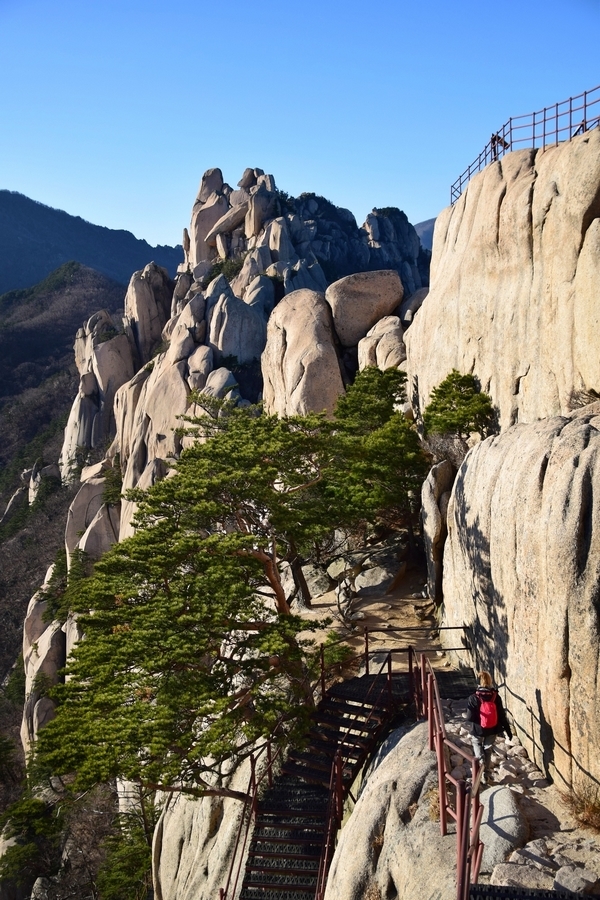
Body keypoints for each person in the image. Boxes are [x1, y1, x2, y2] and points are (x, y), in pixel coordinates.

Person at [465, 671, 512, 783]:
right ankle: (486, 773)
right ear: (490, 681)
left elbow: (469, 717)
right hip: (492, 728)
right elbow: (501, 715)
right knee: (488, 748)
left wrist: (479, 719)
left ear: (478, 682)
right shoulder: (496, 697)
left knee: (477, 744)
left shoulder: (473, 697)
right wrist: (508, 731)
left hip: (478, 729)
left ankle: (480, 766)